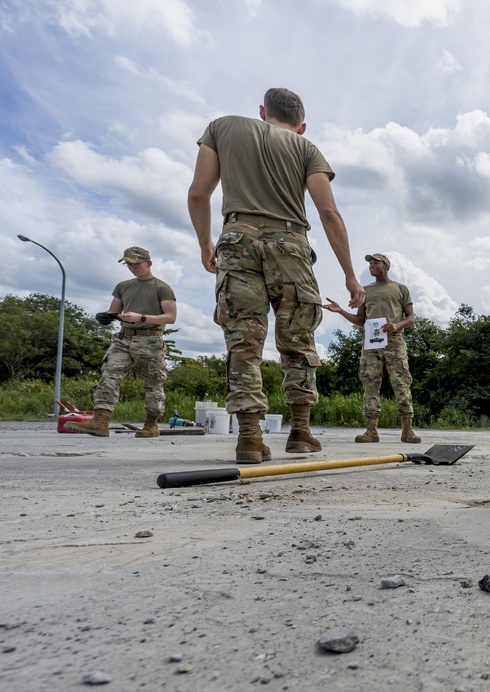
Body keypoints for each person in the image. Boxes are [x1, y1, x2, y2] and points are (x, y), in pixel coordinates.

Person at [188, 87, 364, 464]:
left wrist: (206, 244)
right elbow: (329, 214)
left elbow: (198, 195)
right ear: (301, 126)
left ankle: (249, 439)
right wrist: (350, 276)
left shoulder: (222, 128)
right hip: (291, 243)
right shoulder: (307, 148)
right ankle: (300, 433)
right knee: (298, 340)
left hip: (237, 239)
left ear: (262, 111)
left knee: (243, 342)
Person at [66, 247, 176, 438]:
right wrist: (107, 317)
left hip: (150, 339)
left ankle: (151, 424)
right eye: (129, 264)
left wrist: (141, 317)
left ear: (148, 263)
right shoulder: (123, 286)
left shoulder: (161, 287)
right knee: (109, 375)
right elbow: (115, 311)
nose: (133, 267)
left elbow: (170, 317)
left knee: (153, 383)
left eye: (136, 263)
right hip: (123, 337)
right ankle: (100, 421)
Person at [323, 253, 421, 444]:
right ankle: (371, 431)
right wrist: (341, 311)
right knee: (370, 385)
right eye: (370, 264)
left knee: (401, 384)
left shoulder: (400, 288)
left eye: (375, 263)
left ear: (387, 265)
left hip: (394, 341)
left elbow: (410, 317)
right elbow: (361, 320)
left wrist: (396, 325)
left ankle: (407, 431)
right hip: (371, 343)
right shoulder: (365, 291)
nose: (371, 266)